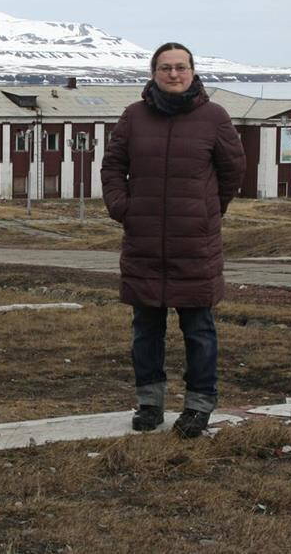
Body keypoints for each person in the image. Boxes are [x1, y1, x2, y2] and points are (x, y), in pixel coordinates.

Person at [100, 42, 246, 438]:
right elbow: (113, 166)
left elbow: (233, 170)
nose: (174, 74)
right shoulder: (134, 117)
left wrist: (207, 212)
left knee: (199, 329)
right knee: (146, 330)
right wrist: (122, 207)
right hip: (143, 243)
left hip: (194, 245)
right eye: (165, 68)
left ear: (193, 72)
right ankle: (149, 404)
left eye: (181, 67)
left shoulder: (214, 117)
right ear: (153, 73)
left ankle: (198, 407)